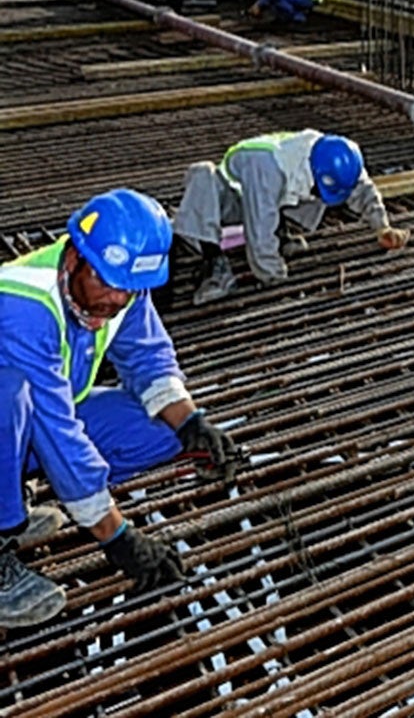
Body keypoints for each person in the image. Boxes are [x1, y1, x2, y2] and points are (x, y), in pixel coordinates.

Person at [0, 189, 242, 627]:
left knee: (160, 432)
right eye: (107, 284)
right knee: (8, 391)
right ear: (74, 256)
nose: (115, 301)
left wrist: (192, 424)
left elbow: (149, 356)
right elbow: (58, 432)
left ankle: (12, 494)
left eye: (127, 292)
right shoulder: (21, 304)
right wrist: (117, 537)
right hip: (19, 409)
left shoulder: (123, 285)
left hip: (38, 416)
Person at [173, 131, 408, 304]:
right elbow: (259, 227)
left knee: (296, 196)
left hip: (270, 192)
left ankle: (282, 235)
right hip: (231, 201)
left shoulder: (335, 156)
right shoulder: (269, 167)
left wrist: (382, 227)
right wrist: (276, 278)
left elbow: (362, 188)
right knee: (202, 174)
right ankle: (214, 262)